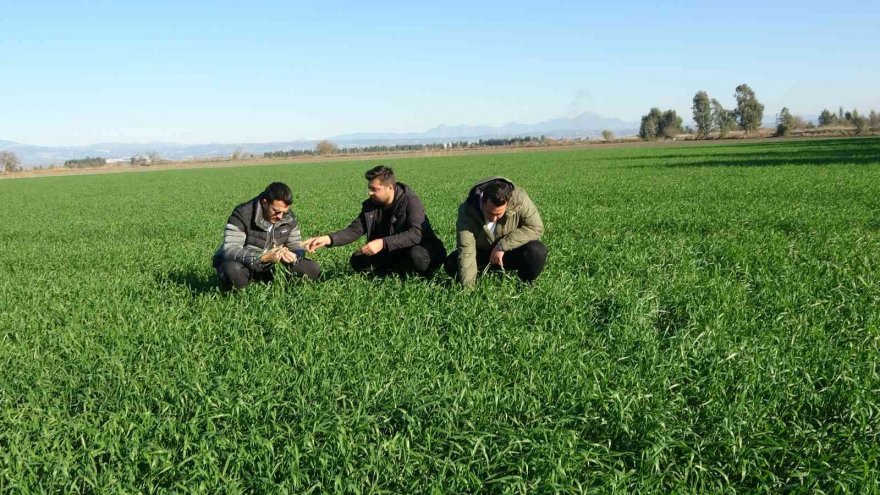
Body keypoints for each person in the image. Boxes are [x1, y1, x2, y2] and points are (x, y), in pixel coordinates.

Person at [303, 166, 446, 276]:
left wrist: (383, 243)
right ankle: (394, 272)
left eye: (374, 189)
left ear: (390, 188)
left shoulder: (410, 201)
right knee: (358, 260)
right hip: (394, 251)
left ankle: (415, 275)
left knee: (417, 257)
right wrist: (328, 239)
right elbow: (355, 230)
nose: (369, 193)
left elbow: (415, 234)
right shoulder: (371, 205)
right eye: (369, 188)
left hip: (421, 248)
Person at [212, 182, 321, 291]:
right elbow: (230, 249)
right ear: (265, 203)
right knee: (232, 270)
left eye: (284, 212)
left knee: (312, 269)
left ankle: (277, 284)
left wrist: (294, 256)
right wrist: (261, 258)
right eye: (276, 211)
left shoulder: (288, 217)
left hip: (272, 265)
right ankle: (239, 291)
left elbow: (296, 245)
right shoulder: (242, 214)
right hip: (246, 265)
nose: (280, 217)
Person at [445, 177, 547, 286]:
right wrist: (468, 289)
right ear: (482, 200)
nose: (494, 219)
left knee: (537, 251)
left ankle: (524, 285)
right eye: (490, 213)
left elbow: (536, 227)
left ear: (507, 203)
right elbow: (466, 250)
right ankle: (479, 277)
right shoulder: (468, 210)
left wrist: (502, 245)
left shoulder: (520, 200)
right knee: (451, 263)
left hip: (510, 251)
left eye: (498, 214)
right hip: (482, 253)